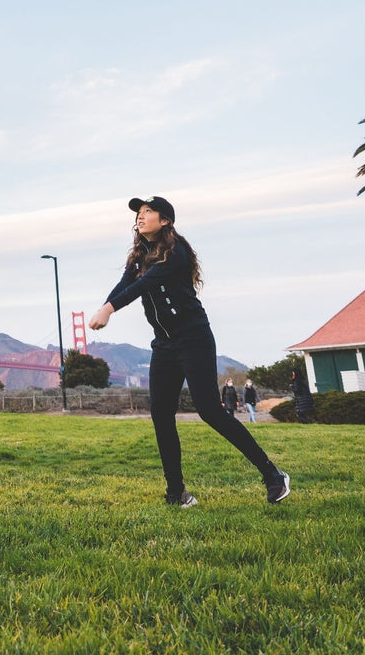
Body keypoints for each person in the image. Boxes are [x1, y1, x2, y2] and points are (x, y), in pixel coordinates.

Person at [89, 196, 290, 508]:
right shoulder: (139, 254)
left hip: (193, 337)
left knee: (209, 410)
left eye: (148, 212)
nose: (141, 217)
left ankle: (273, 475)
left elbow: (145, 284)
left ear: (165, 220)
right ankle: (176, 493)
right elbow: (126, 282)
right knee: (160, 414)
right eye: (139, 213)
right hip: (164, 344)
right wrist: (105, 307)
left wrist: (110, 310)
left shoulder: (176, 252)